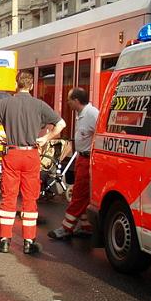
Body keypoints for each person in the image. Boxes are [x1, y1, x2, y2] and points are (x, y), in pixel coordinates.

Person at [0, 71, 66, 254]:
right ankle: (28, 242)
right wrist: (46, 138)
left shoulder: (5, 103)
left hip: (11, 154)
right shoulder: (39, 105)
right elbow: (61, 124)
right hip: (30, 156)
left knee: (9, 198)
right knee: (30, 199)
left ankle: (4, 240)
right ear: (32, 86)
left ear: (16, 84)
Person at [49, 88, 99, 241]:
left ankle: (66, 228)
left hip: (88, 160)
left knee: (78, 194)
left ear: (76, 100)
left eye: (69, 100)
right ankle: (86, 227)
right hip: (82, 158)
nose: (67, 103)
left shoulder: (92, 115)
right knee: (83, 195)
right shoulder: (83, 115)